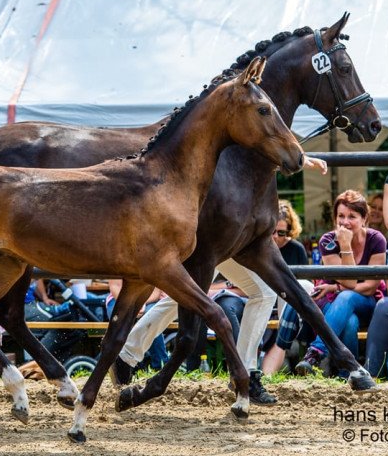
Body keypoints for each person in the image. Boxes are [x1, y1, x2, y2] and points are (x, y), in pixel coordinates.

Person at [110, 156, 328, 404]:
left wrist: (301, 158)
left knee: (195, 297)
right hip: (218, 231)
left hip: (228, 231)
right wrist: (300, 158)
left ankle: (129, 353)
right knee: (197, 296)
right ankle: (243, 373)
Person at [295, 190, 387, 375]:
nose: (345, 222)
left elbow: (368, 287)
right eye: (341, 216)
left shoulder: (376, 239)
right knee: (350, 322)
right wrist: (344, 245)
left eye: (352, 216)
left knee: (346, 296)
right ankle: (349, 376)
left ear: (364, 218)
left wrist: (337, 285)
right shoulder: (327, 240)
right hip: (337, 307)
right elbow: (351, 280)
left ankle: (316, 351)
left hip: (367, 304)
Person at [261, 201, 314, 375]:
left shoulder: (296, 249)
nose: (275, 237)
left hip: (288, 303)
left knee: (299, 289)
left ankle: (285, 346)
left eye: (281, 233)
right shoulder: (259, 248)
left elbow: (305, 282)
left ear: (290, 231)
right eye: (272, 231)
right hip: (265, 300)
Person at [106, 280, 169, 371]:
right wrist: (132, 304)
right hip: (120, 297)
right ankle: (119, 366)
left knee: (152, 318)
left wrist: (141, 303)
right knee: (120, 318)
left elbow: (156, 292)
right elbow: (115, 286)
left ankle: (160, 365)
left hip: (151, 298)